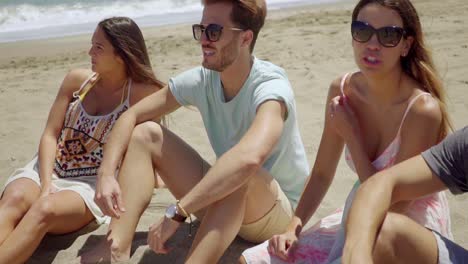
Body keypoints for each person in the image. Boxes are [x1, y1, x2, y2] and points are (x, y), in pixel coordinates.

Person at [83, 0, 310, 263]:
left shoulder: (270, 87)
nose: (203, 40)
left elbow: (248, 159)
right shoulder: (204, 79)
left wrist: (178, 212)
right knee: (146, 133)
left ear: (246, 38)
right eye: (200, 30)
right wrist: (106, 173)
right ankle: (116, 247)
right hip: (225, 205)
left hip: (274, 216)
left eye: (213, 31)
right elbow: (131, 115)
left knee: (241, 171)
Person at [241, 0, 453, 263]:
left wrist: (352, 137)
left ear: (405, 45)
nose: (372, 44)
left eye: (388, 35)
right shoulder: (342, 91)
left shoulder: (422, 111)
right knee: (253, 259)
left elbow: (392, 207)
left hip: (402, 229)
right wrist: (292, 227)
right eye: (362, 31)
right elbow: (320, 174)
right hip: (357, 213)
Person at [0, 17, 164, 263]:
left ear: (121, 54)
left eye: (98, 47)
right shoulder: (77, 82)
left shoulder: (144, 94)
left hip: (88, 185)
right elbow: (50, 135)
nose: (90, 52)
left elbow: (145, 152)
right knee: (13, 199)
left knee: (44, 210)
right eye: (92, 44)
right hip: (45, 168)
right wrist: (46, 185)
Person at [343, 126, 468, 264]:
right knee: (380, 232)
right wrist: (358, 253)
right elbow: (381, 182)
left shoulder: (423, 111)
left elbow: (399, 205)